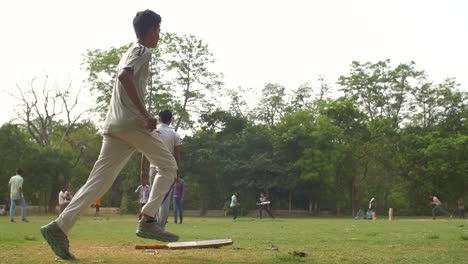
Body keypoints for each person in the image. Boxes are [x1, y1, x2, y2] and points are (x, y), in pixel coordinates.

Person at [40, 10, 179, 260]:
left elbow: (124, 76)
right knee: (169, 167)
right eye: (158, 30)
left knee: (98, 183)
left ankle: (58, 227)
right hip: (131, 124)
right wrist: (146, 115)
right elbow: (125, 76)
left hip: (114, 127)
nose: (160, 34)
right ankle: (148, 219)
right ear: (151, 31)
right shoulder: (141, 51)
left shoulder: (129, 50)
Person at [141, 109, 182, 229]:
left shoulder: (153, 131)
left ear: (159, 118)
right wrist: (177, 173)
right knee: (164, 198)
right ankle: (160, 225)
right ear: (171, 119)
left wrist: (143, 169)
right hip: (168, 169)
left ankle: (150, 222)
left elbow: (145, 149)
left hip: (153, 166)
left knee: (153, 196)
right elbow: (177, 155)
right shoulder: (174, 134)